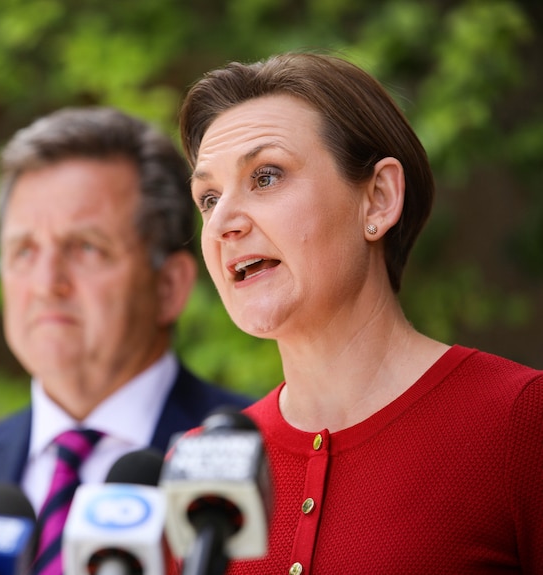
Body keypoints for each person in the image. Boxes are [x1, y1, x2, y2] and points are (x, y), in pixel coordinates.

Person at [176, 52, 543, 574]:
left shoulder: (522, 424)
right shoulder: (198, 466)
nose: (223, 224)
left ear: (378, 199)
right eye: (209, 198)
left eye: (266, 176)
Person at [0, 107, 253, 572]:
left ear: (168, 286)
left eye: (87, 248)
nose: (48, 283)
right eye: (24, 251)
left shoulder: (257, 462)